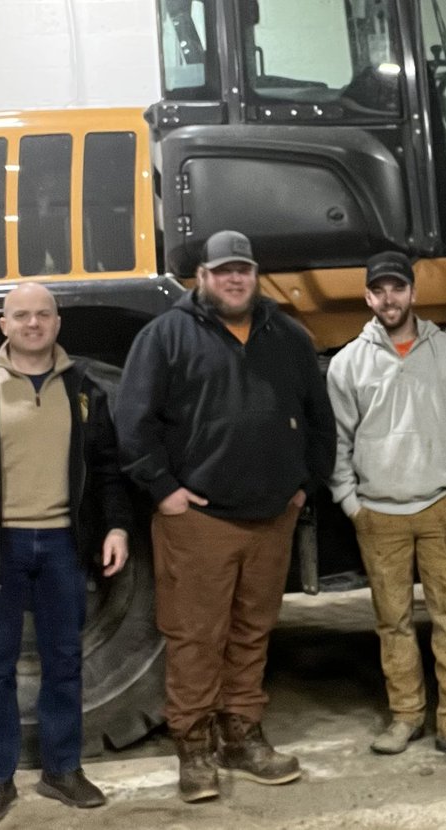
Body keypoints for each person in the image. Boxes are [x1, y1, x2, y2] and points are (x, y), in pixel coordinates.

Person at [115, 230, 336, 802]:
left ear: (254, 274)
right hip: (199, 522)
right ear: (202, 277)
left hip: (271, 516)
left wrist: (301, 488)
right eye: (222, 271)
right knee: (195, 637)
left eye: (243, 270)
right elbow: (134, 423)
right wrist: (165, 492)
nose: (234, 280)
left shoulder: (287, 335)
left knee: (251, 633)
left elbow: (319, 421)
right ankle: (194, 748)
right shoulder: (164, 337)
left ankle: (242, 735)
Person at [0, 283, 131, 825]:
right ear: (4, 326)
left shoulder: (85, 389)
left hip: (65, 544)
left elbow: (108, 468)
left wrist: (115, 527)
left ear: (57, 323)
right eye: (21, 316)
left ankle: (63, 770)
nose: (33, 324)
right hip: (0, 549)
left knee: (65, 661)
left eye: (43, 314)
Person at [327, 251, 446, 767]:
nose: (389, 298)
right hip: (379, 516)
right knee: (392, 622)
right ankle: (405, 717)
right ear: (368, 297)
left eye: (397, 288)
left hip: (439, 511)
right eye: (379, 290)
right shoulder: (347, 362)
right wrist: (352, 503)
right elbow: (337, 443)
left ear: (413, 293)